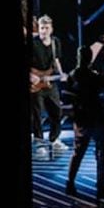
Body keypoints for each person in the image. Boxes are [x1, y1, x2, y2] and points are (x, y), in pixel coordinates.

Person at [65, 46, 104, 199]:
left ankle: (70, 183)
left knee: (78, 151)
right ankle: (101, 185)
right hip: (95, 117)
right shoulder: (93, 76)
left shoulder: (72, 75)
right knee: (102, 150)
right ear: (90, 59)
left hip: (80, 118)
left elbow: (69, 94)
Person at [29, 15, 67, 151]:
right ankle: (39, 143)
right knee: (37, 114)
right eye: (41, 28)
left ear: (51, 29)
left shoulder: (55, 42)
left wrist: (61, 74)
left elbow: (56, 60)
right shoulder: (32, 42)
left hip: (50, 80)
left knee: (56, 111)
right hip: (35, 83)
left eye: (46, 28)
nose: (43, 31)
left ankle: (54, 139)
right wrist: (31, 76)